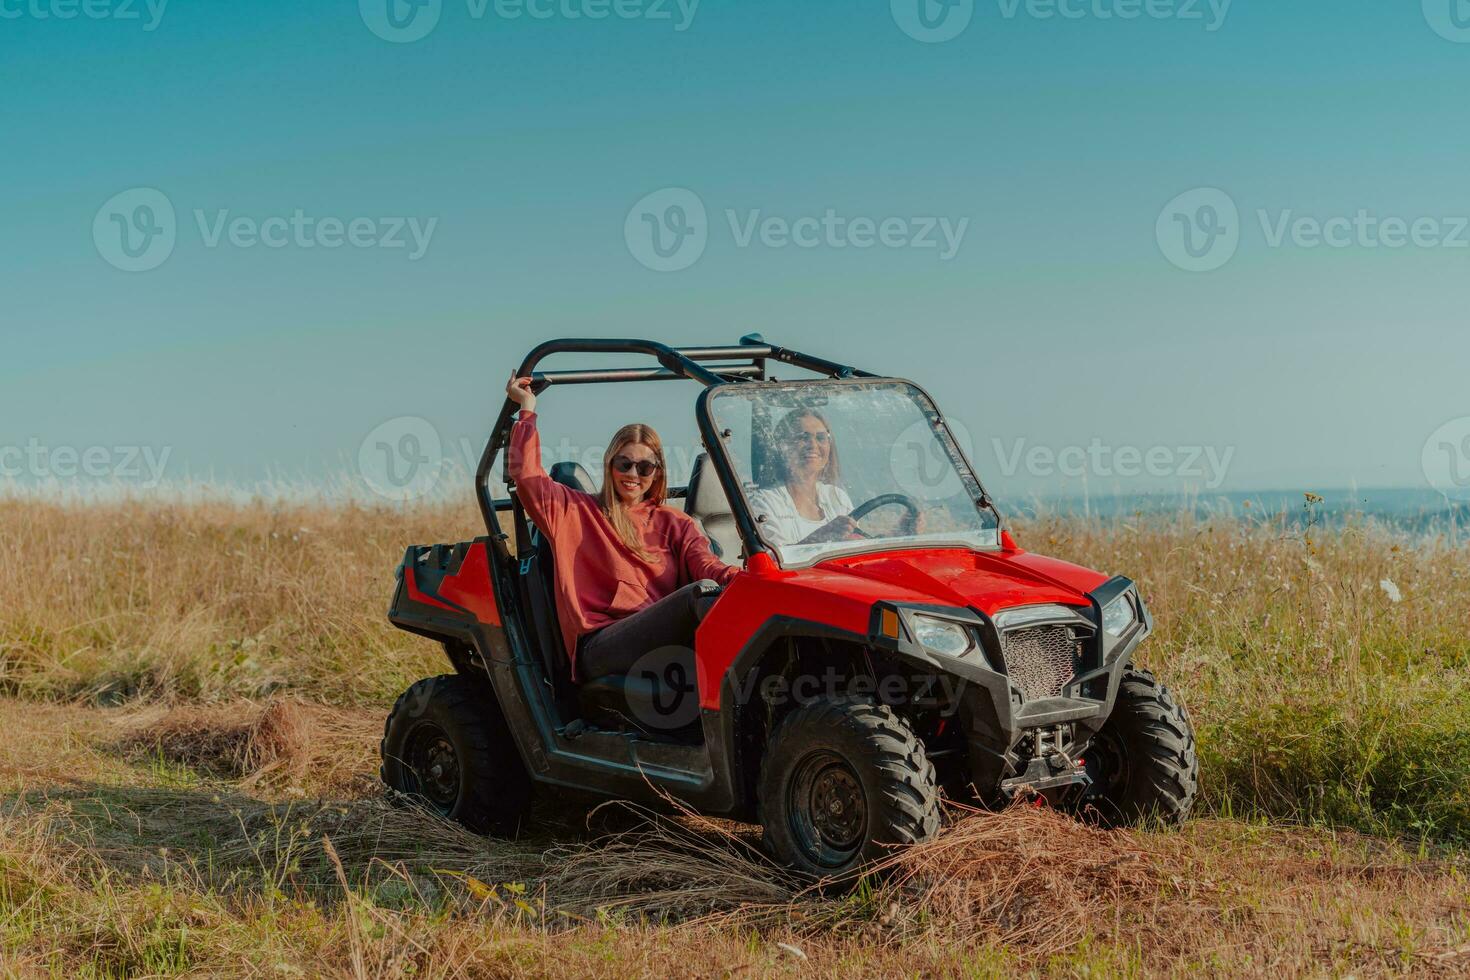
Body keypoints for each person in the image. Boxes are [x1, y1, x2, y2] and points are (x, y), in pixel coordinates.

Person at [504, 373, 739, 683]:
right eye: (624, 464)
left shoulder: (674, 522)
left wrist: (754, 581)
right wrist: (527, 409)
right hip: (601, 642)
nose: (633, 474)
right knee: (699, 596)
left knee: (715, 591)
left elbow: (707, 566)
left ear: (656, 473)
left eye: (644, 467)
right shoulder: (574, 510)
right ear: (610, 464)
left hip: (658, 638)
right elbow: (527, 477)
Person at [748, 408, 862, 547]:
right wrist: (822, 536)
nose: (813, 445)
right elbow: (772, 562)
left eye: (820, 438)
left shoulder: (837, 497)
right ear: (783, 446)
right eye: (803, 437)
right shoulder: (764, 503)